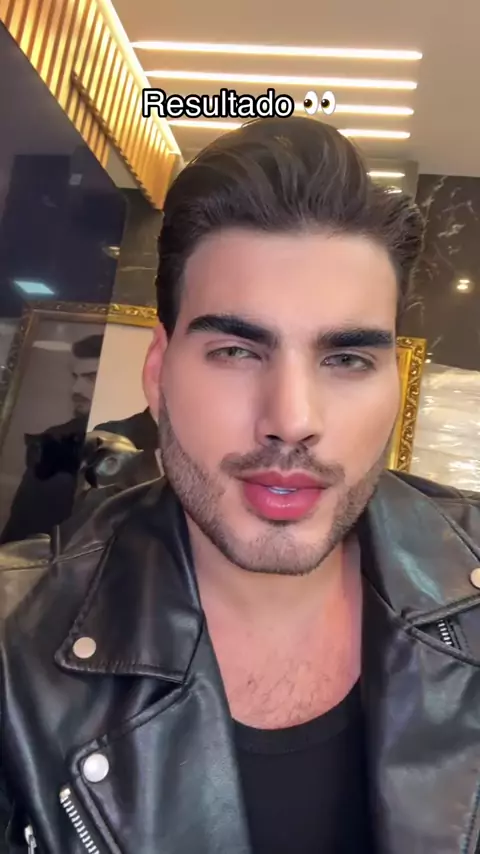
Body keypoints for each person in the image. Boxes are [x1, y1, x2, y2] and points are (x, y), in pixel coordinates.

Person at [0, 116, 477, 854]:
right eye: (235, 351)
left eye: (346, 360)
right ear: (157, 375)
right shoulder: (15, 645)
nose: (292, 421)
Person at [0, 333, 103, 543]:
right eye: (75, 377)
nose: (76, 389)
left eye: (91, 377)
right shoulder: (59, 440)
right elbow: (23, 533)